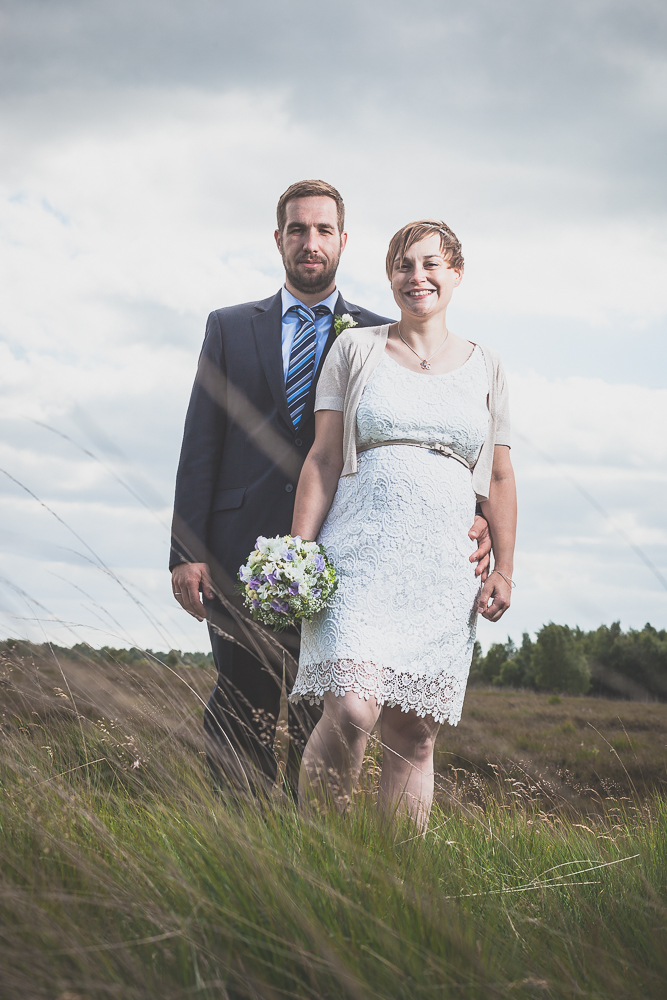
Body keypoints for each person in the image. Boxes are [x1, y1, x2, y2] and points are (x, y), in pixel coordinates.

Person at [170, 183, 493, 794]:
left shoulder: (381, 336)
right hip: (241, 550)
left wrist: (477, 511)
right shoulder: (230, 328)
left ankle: (307, 857)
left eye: (323, 231)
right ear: (278, 239)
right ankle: (241, 852)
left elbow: (436, 433)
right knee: (241, 706)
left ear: (344, 242)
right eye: (297, 230)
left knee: (324, 710)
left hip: (348, 559)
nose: (310, 243)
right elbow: (200, 442)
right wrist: (186, 551)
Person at [290, 219, 516, 828]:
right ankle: (316, 852)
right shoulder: (355, 348)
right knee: (353, 711)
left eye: (431, 265)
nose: (417, 277)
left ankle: (395, 882)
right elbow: (325, 456)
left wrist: (507, 571)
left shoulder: (487, 366)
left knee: (414, 734)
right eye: (403, 266)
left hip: (442, 569)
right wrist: (297, 551)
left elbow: (497, 477)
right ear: (389, 278)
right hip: (358, 557)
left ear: (456, 275)